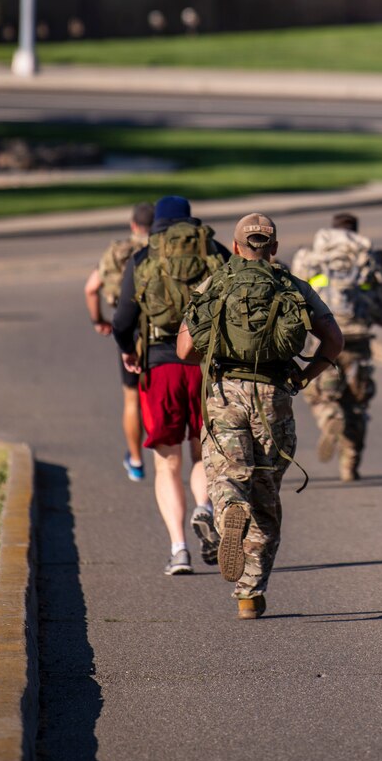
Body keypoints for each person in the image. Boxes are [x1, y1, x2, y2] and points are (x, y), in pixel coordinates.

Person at [176, 212, 344, 619]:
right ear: (274, 248)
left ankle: (231, 508)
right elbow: (334, 340)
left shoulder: (215, 283)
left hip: (224, 394)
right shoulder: (292, 286)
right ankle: (250, 594)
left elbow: (184, 350)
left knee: (226, 476)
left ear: (235, 247)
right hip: (274, 397)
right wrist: (305, 377)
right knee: (266, 495)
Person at [112, 195, 227, 577]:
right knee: (202, 453)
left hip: (160, 366)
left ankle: (179, 549)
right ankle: (205, 508)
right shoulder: (214, 250)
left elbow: (122, 321)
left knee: (167, 463)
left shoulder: (143, 259)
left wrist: (130, 352)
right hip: (206, 366)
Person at [289, 212, 382, 482]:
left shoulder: (310, 258)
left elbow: (292, 296)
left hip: (322, 334)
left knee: (319, 392)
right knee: (357, 403)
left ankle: (329, 417)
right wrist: (376, 317)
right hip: (358, 336)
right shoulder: (370, 257)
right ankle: (350, 461)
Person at [85, 202, 155, 481]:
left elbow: (91, 288)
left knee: (132, 398)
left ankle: (136, 460)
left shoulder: (118, 251)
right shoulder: (169, 250)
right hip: (163, 332)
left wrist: (99, 320)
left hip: (129, 330)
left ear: (133, 225)